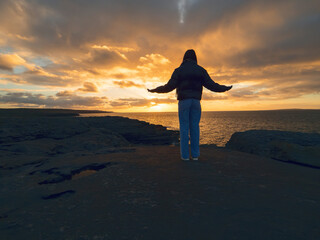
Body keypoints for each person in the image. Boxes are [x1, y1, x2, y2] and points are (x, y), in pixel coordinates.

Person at [148, 49, 232, 161]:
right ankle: (196, 155)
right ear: (195, 58)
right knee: (195, 128)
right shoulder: (201, 70)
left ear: (184, 58)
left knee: (184, 128)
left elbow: (168, 86)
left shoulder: (179, 70)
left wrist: (155, 90)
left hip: (184, 101)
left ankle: (185, 157)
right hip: (196, 102)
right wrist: (224, 88)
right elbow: (212, 85)